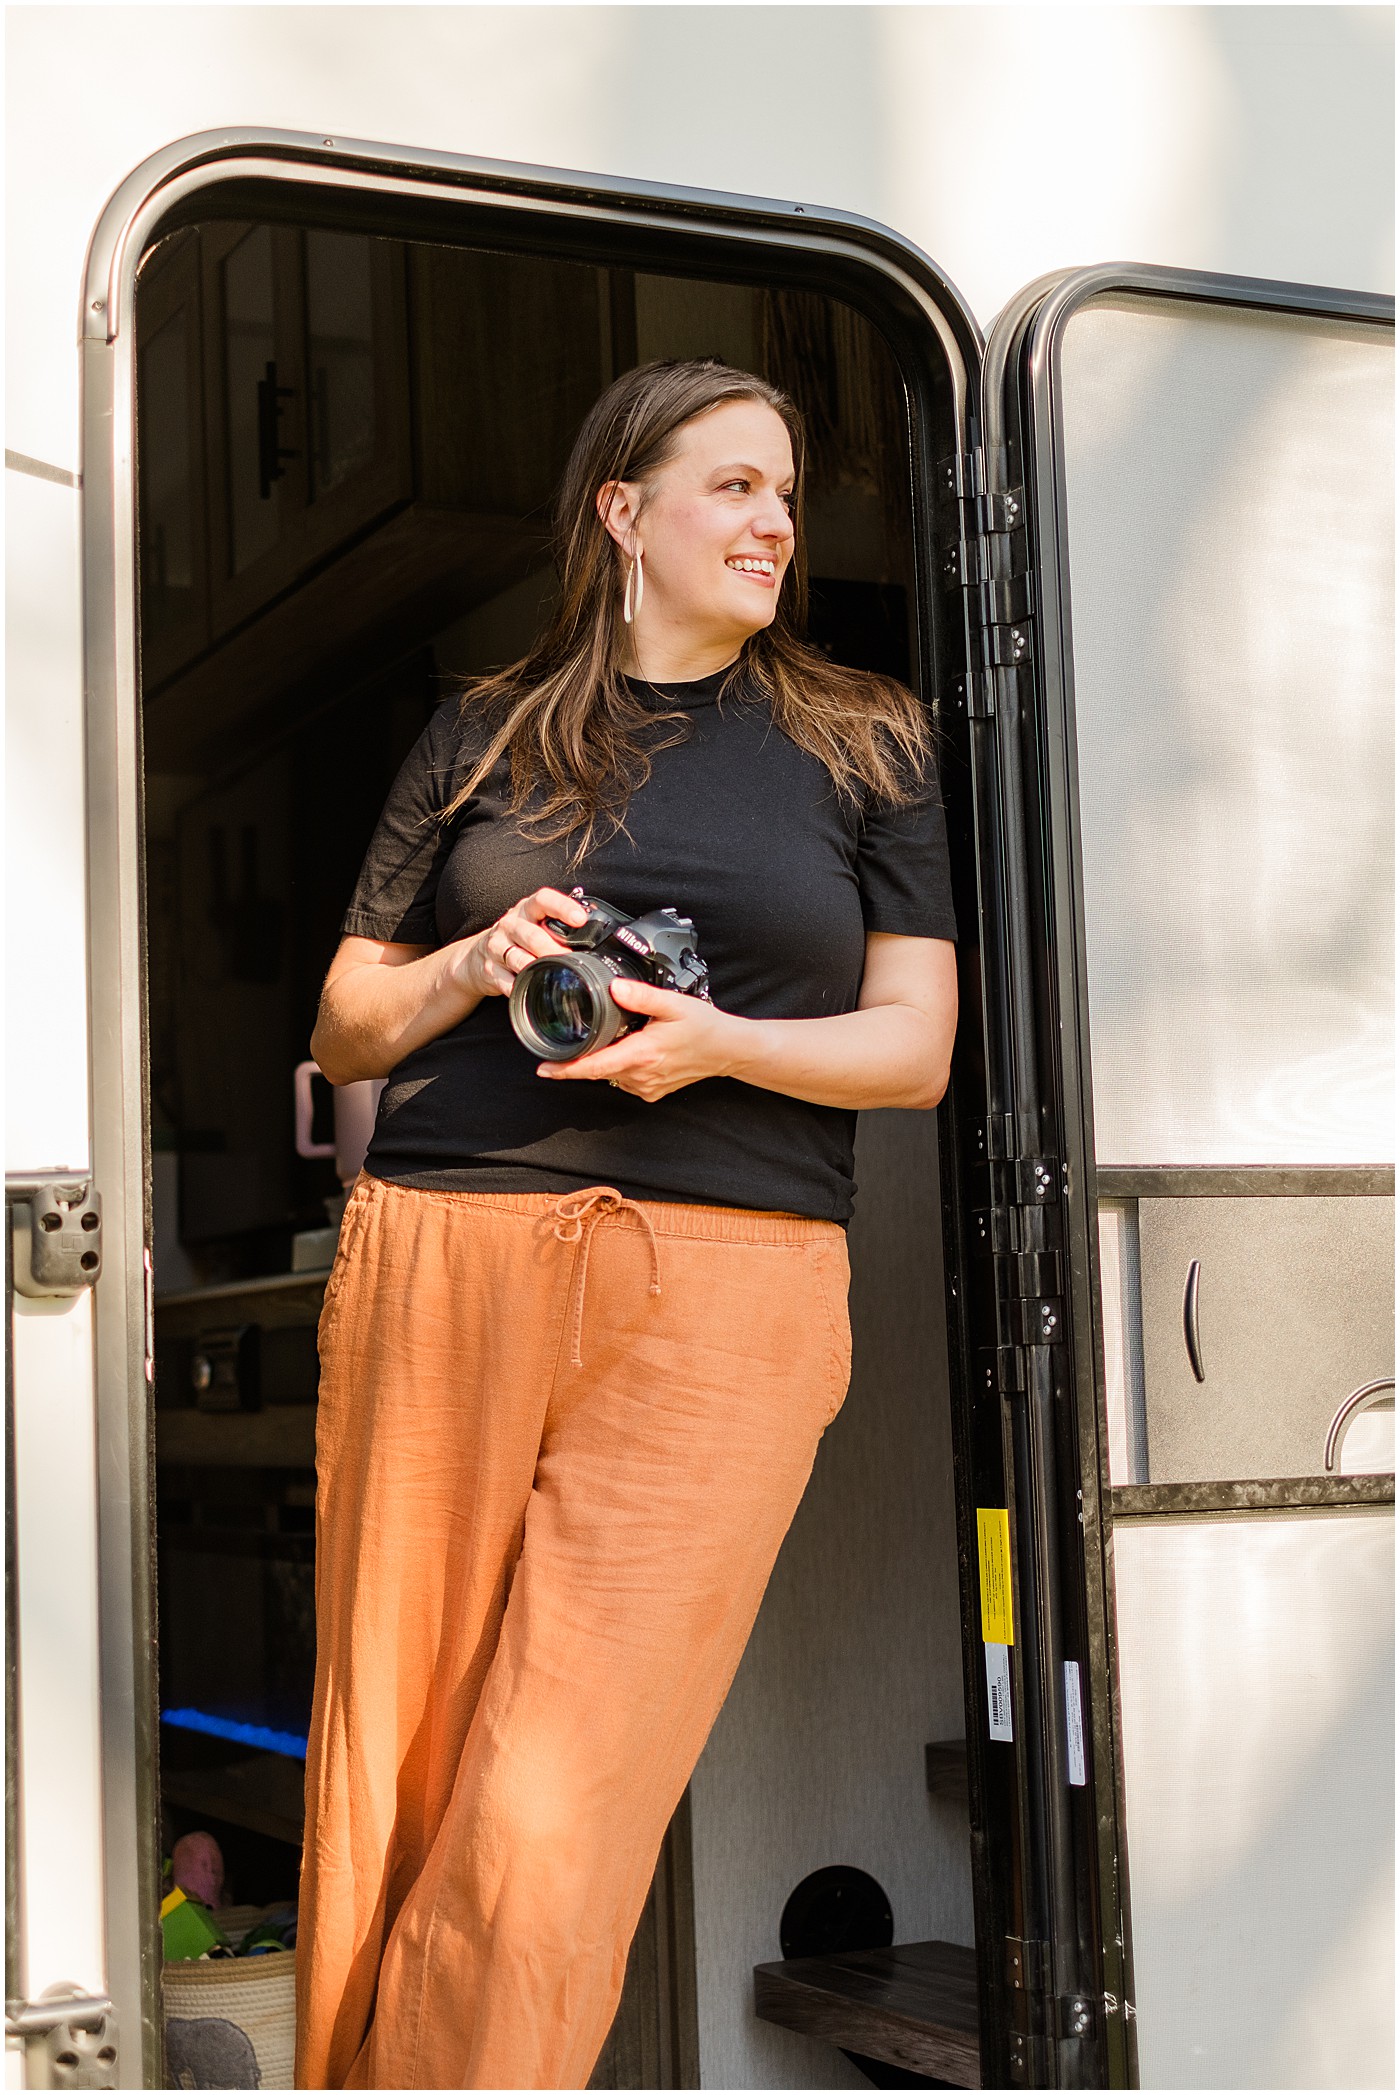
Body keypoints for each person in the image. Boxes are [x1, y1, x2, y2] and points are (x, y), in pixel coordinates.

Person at [294, 356, 958, 2091]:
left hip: (731, 1290)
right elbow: (346, 1029)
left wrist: (718, 1041)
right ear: (624, 512)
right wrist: (474, 959)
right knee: (400, 1765)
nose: (774, 523)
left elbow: (918, 1052)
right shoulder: (485, 726)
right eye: (733, 485)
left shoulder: (864, 736)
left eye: (788, 494)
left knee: (553, 1799)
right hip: (449, 1253)